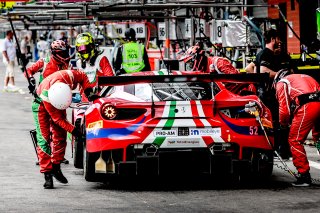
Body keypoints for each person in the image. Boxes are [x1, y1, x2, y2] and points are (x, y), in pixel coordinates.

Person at [33, 69, 96, 189]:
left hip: (58, 102)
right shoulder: (47, 97)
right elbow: (58, 120)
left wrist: (88, 91)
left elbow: (82, 75)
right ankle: (47, 175)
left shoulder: (69, 76)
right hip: (41, 105)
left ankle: (56, 167)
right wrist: (74, 131)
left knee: (61, 136)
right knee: (43, 139)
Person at [26, 40, 71, 165]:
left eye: (64, 52)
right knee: (44, 134)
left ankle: (58, 156)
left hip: (59, 103)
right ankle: (43, 157)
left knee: (61, 132)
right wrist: (31, 81)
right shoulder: (44, 62)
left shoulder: (67, 65)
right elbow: (28, 71)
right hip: (43, 101)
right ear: (54, 53)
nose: (63, 55)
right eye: (61, 53)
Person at [273, 69, 320, 186]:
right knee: (318, 137)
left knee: (295, 139)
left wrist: (283, 124)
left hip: (308, 106)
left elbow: (284, 110)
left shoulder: (282, 83)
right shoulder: (306, 76)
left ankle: (304, 176)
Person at [75, 32, 114, 101]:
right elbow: (80, 83)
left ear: (91, 46)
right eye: (80, 49)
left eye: (85, 48)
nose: (84, 51)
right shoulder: (79, 63)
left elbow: (110, 80)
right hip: (85, 101)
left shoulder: (101, 58)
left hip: (101, 99)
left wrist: (101, 95)